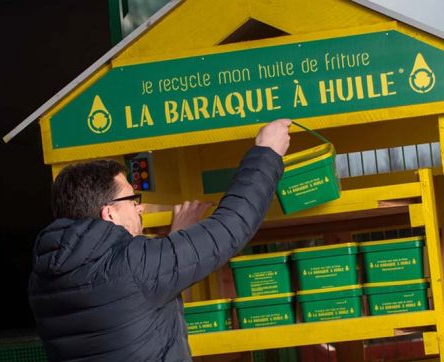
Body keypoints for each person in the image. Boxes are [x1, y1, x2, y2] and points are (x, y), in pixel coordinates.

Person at [28, 119, 292, 362]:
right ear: (109, 212)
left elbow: (131, 309)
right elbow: (230, 228)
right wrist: (266, 152)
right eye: (132, 200)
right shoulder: (133, 265)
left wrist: (174, 241)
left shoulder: (43, 279)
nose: (140, 208)